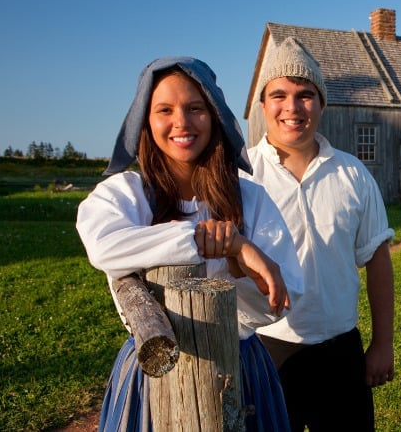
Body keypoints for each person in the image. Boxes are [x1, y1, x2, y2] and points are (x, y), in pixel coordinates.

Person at [76, 57, 303, 431]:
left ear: (214, 116)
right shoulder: (125, 194)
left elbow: (279, 301)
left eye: (195, 108)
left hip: (240, 368)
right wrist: (221, 243)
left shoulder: (251, 199)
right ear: (145, 121)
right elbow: (104, 247)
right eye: (164, 109)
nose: (181, 122)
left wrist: (235, 263)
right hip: (152, 370)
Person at [243, 37, 394, 432]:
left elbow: (377, 259)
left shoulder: (352, 174)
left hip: (339, 351)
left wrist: (382, 344)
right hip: (267, 350)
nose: (292, 108)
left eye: (305, 95)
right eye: (279, 95)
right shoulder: (241, 177)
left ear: (322, 103)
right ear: (263, 105)